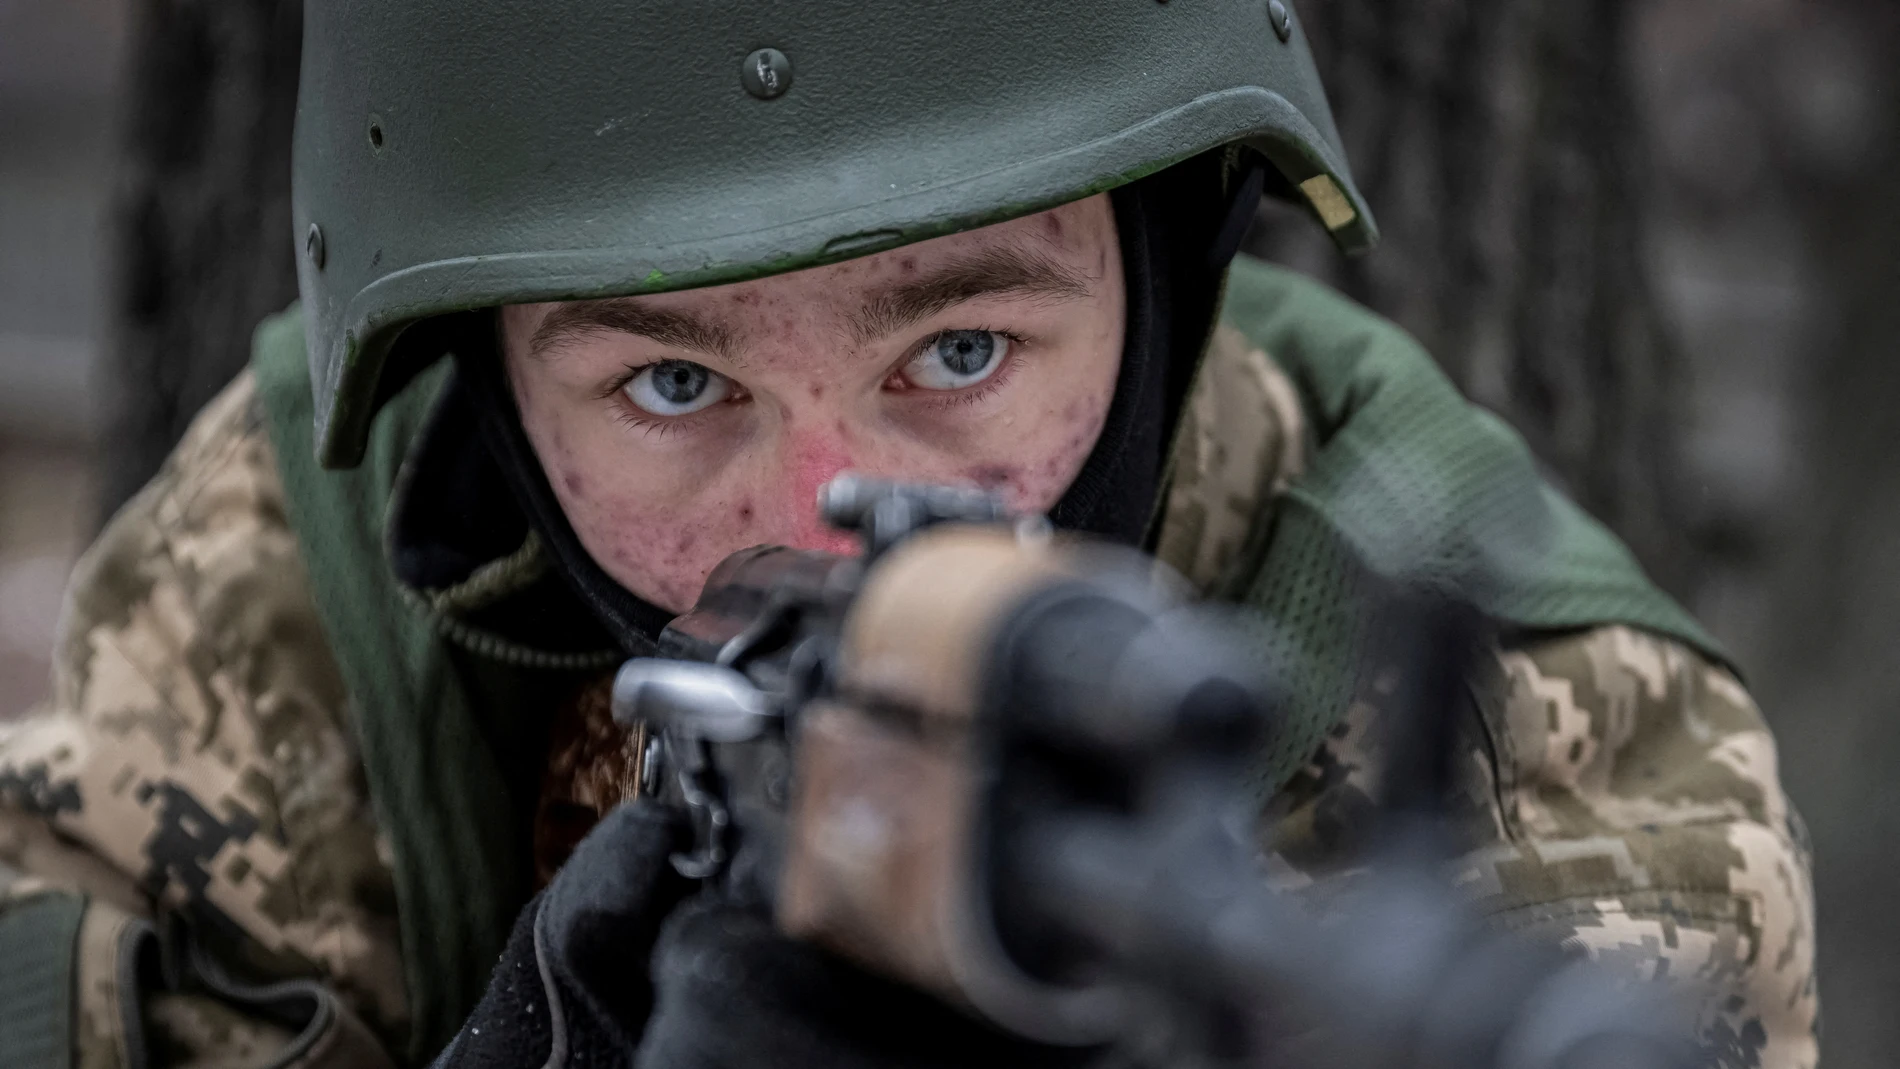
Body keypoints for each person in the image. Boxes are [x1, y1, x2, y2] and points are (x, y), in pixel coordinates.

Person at [0, 3, 1816, 1067]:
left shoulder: (1563, 747)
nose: (826, 508)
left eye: (959, 352)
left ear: (1169, 279)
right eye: (671, 385)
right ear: (484, 372)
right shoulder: (302, 571)